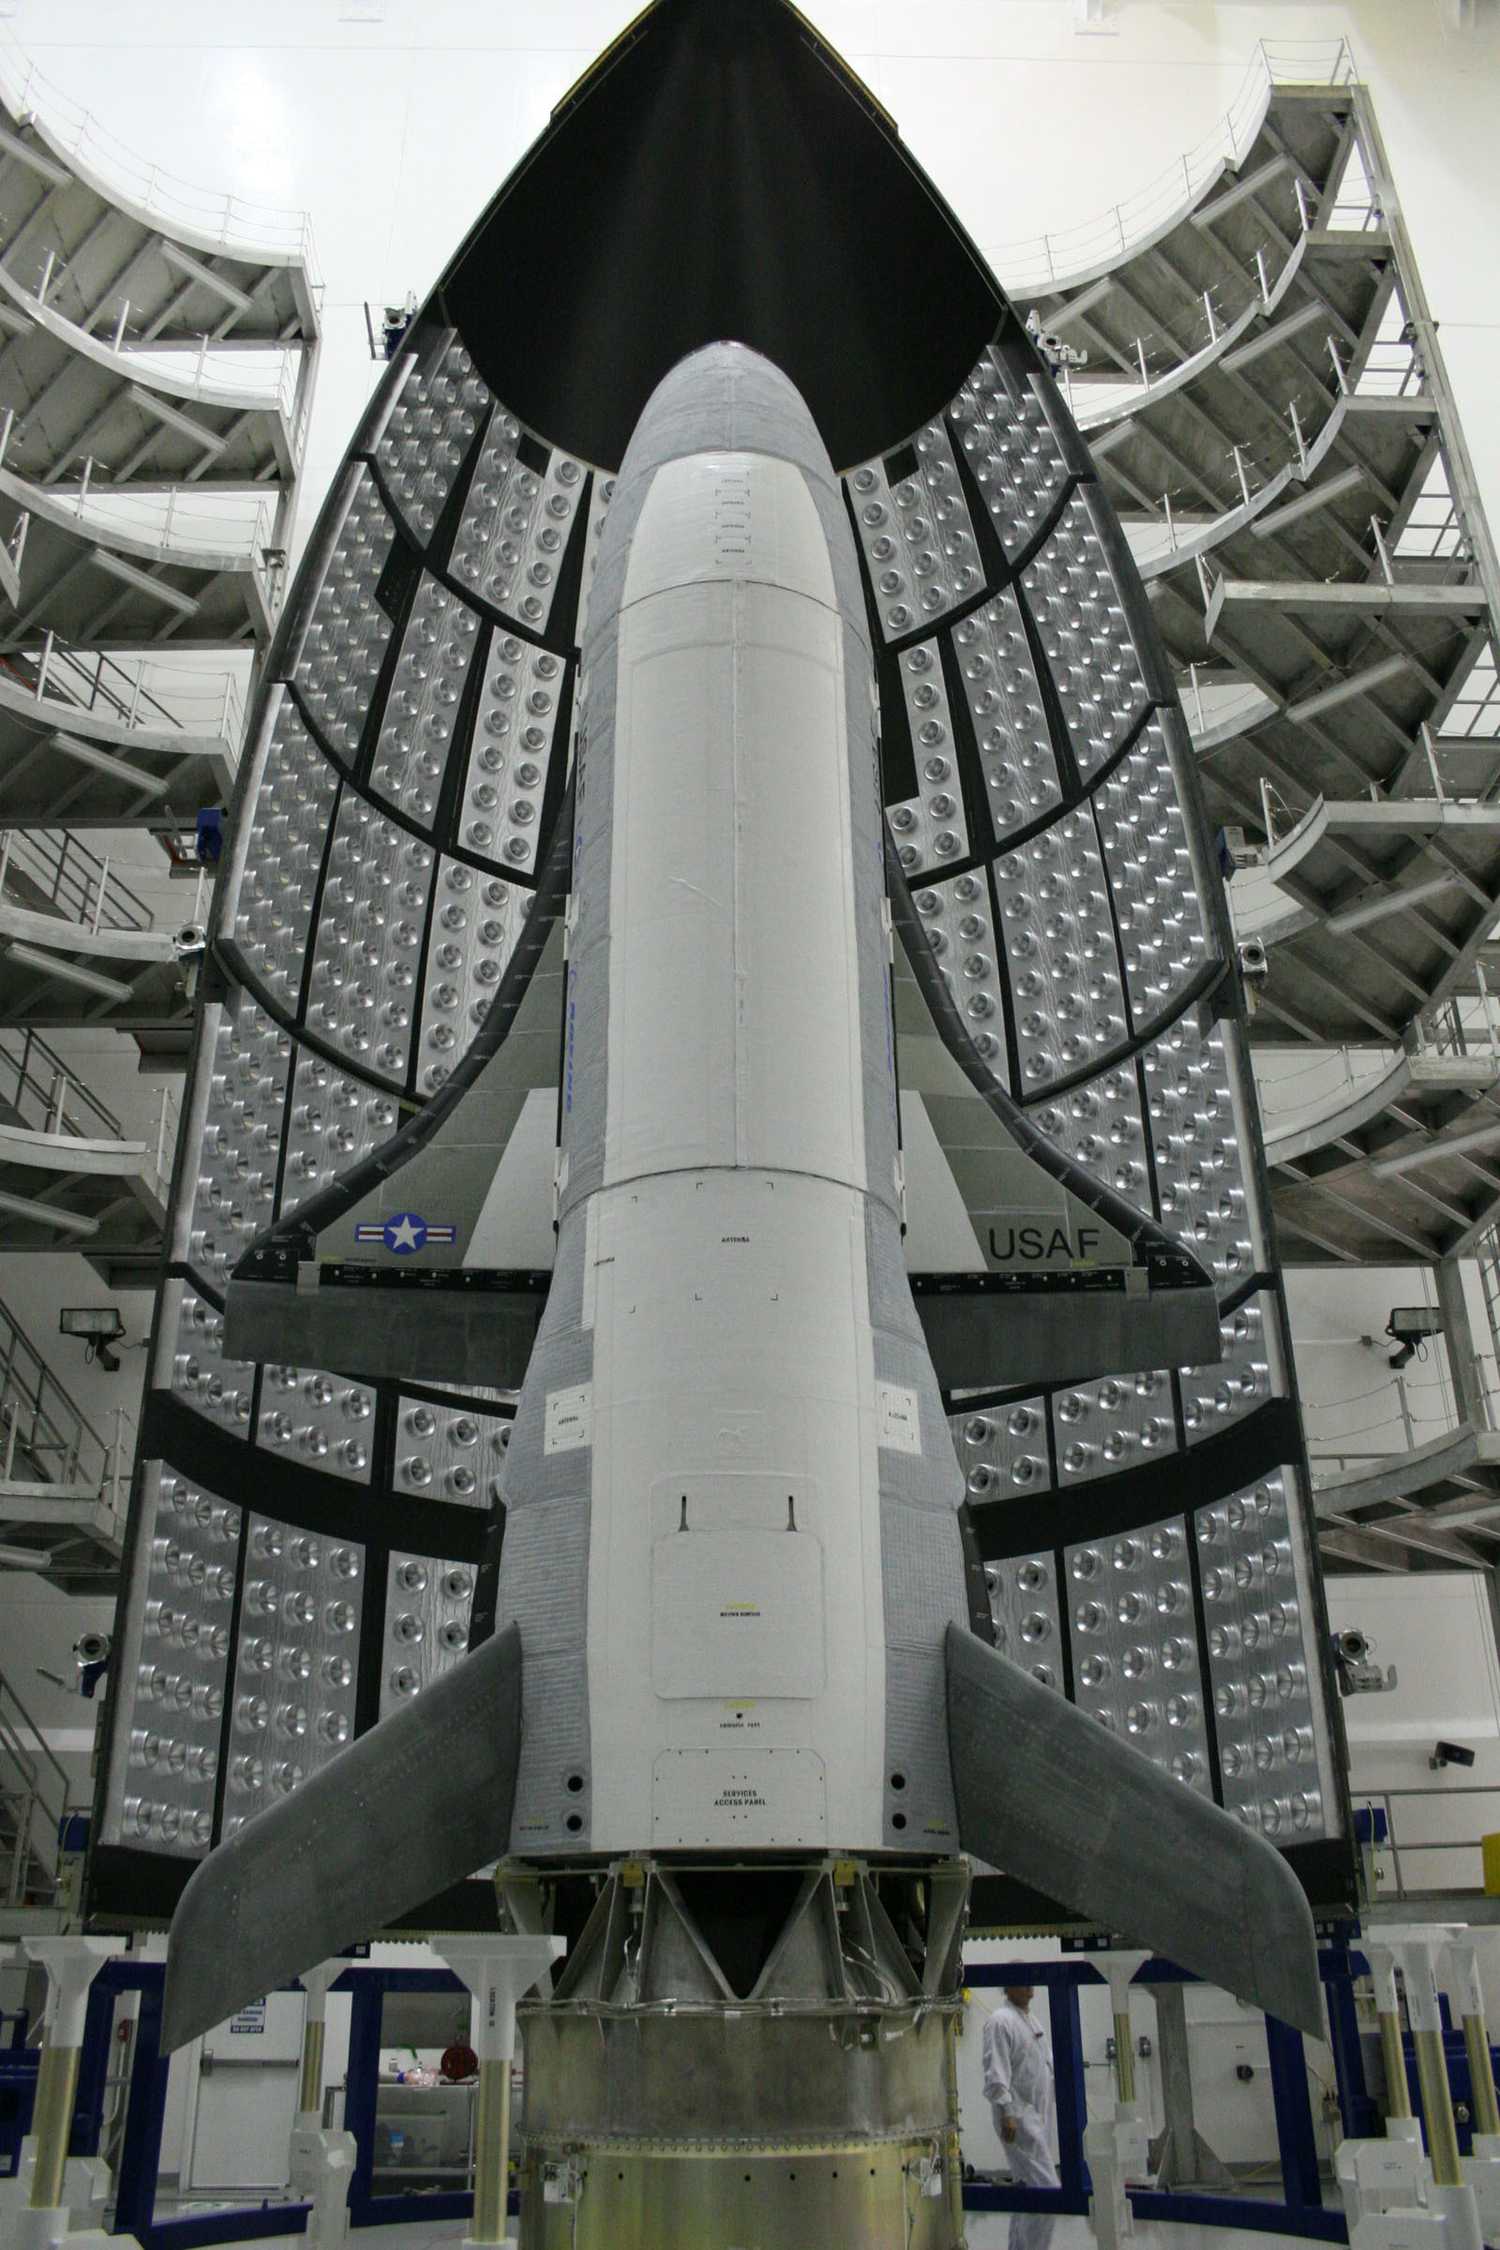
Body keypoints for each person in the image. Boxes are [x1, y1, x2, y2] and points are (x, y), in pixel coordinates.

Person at [982, 1983, 1059, 2250]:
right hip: (1018, 2117)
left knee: (1026, 2188)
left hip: (1037, 2114)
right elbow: (996, 2070)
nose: (1029, 1987)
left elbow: (1043, 2065)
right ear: (1008, 1987)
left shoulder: (1029, 2019)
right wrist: (1006, 2112)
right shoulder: (1000, 2021)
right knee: (1047, 2190)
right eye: (1022, 1981)